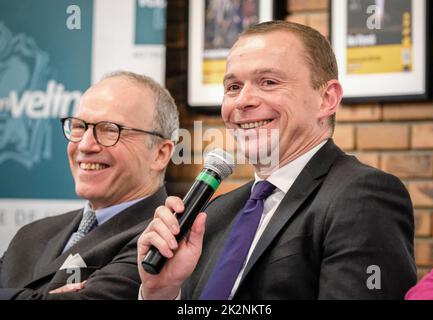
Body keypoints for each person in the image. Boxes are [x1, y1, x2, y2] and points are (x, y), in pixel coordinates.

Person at [137, 21, 416, 300]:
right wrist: (162, 292)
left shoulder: (363, 197)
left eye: (269, 82)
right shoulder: (214, 214)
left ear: (327, 99)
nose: (242, 101)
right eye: (233, 87)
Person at [0, 71, 179, 299]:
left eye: (110, 129)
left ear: (160, 154)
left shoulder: (162, 242)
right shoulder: (31, 235)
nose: (85, 145)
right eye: (79, 126)